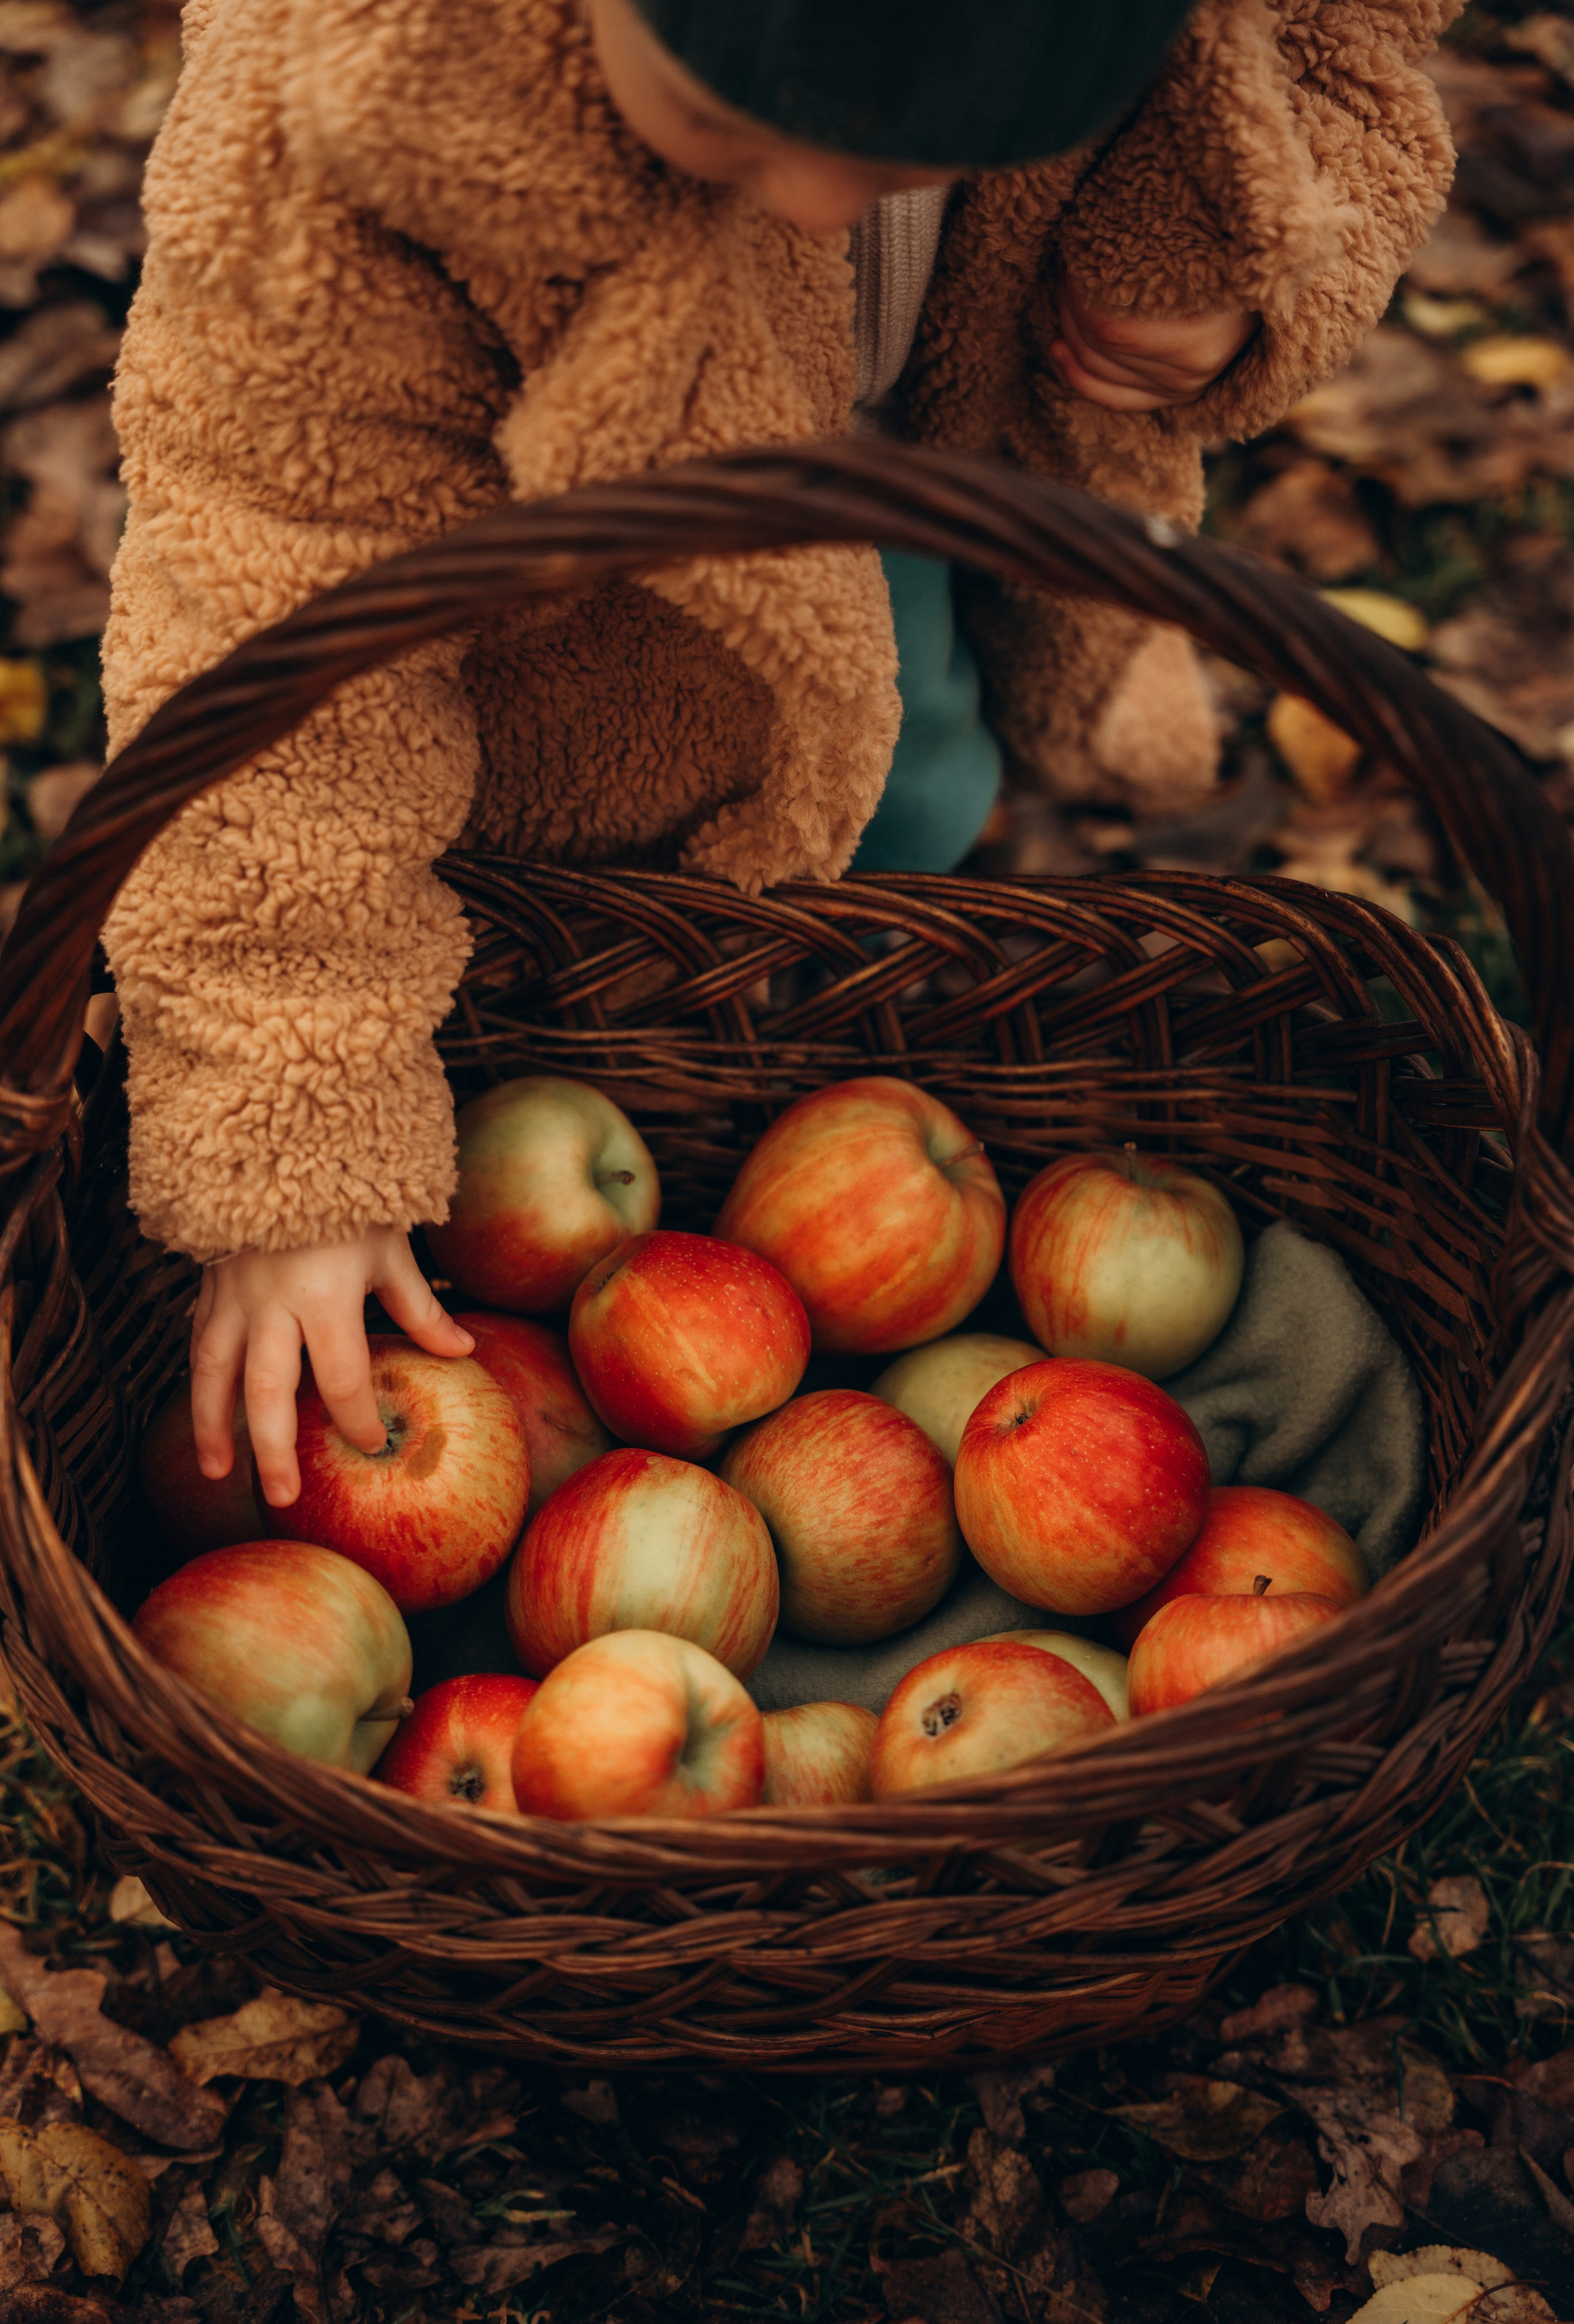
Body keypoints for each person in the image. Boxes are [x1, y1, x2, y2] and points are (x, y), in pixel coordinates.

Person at [100, 0, 1457, 1508]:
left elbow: (1335, 44)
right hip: (544, 633)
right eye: (721, 123)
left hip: (899, 498)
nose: (812, 204)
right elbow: (266, 620)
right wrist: (296, 1128)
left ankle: (812, 1027)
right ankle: (599, 1049)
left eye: (911, 164)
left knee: (906, 800)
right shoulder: (352, 120)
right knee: (539, 973)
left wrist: (1232, 253)